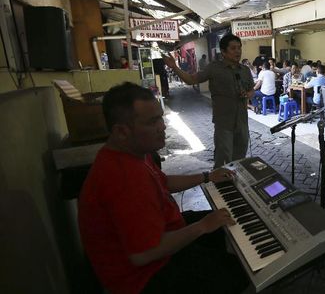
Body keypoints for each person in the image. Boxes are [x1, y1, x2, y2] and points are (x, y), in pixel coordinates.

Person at [78, 82, 248, 294]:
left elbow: (163, 182)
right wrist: (202, 226)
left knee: (230, 221)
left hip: (165, 234)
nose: (163, 127)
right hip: (147, 278)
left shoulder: (135, 152)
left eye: (161, 117)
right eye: (152, 122)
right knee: (238, 271)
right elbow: (144, 254)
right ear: (121, 132)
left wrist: (207, 176)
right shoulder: (122, 177)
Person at [164, 34, 254, 167]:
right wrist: (175, 67)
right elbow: (191, 80)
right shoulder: (214, 68)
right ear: (223, 52)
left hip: (242, 122)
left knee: (240, 158)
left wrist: (247, 94)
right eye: (233, 48)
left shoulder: (245, 70)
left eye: (239, 48)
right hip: (224, 122)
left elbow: (251, 90)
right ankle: (220, 185)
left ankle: (238, 184)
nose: (238, 51)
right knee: (223, 158)